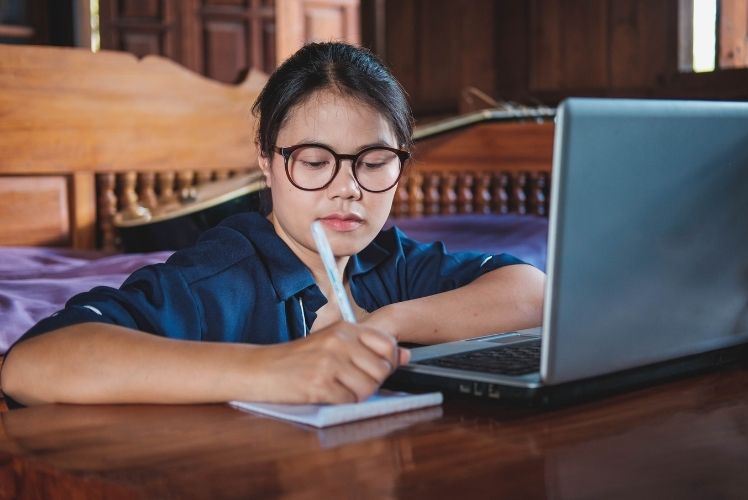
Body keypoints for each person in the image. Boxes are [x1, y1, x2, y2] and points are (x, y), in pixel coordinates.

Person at [1, 42, 545, 407]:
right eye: (314, 162)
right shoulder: (220, 276)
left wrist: (379, 323)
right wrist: (275, 370)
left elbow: (532, 291)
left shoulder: (386, 258)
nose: (347, 187)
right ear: (266, 158)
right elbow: (31, 364)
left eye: (374, 162)